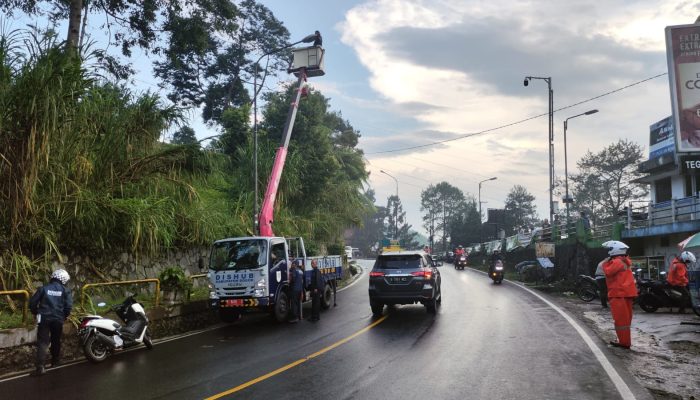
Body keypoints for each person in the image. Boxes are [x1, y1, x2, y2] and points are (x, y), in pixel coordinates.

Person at [29, 269, 73, 376]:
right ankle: (55, 361)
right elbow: (68, 306)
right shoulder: (65, 290)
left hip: (43, 318)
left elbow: (32, 303)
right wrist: (64, 316)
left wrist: (35, 312)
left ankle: (41, 367)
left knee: (43, 342)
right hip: (58, 319)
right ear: (64, 280)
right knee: (56, 340)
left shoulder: (43, 288)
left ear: (53, 277)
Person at [601, 241, 637, 349]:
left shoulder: (617, 262)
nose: (608, 251)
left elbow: (608, 272)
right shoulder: (625, 261)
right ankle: (625, 341)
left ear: (615, 250)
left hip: (618, 293)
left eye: (610, 249)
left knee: (621, 321)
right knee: (625, 320)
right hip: (626, 293)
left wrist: (605, 262)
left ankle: (624, 343)